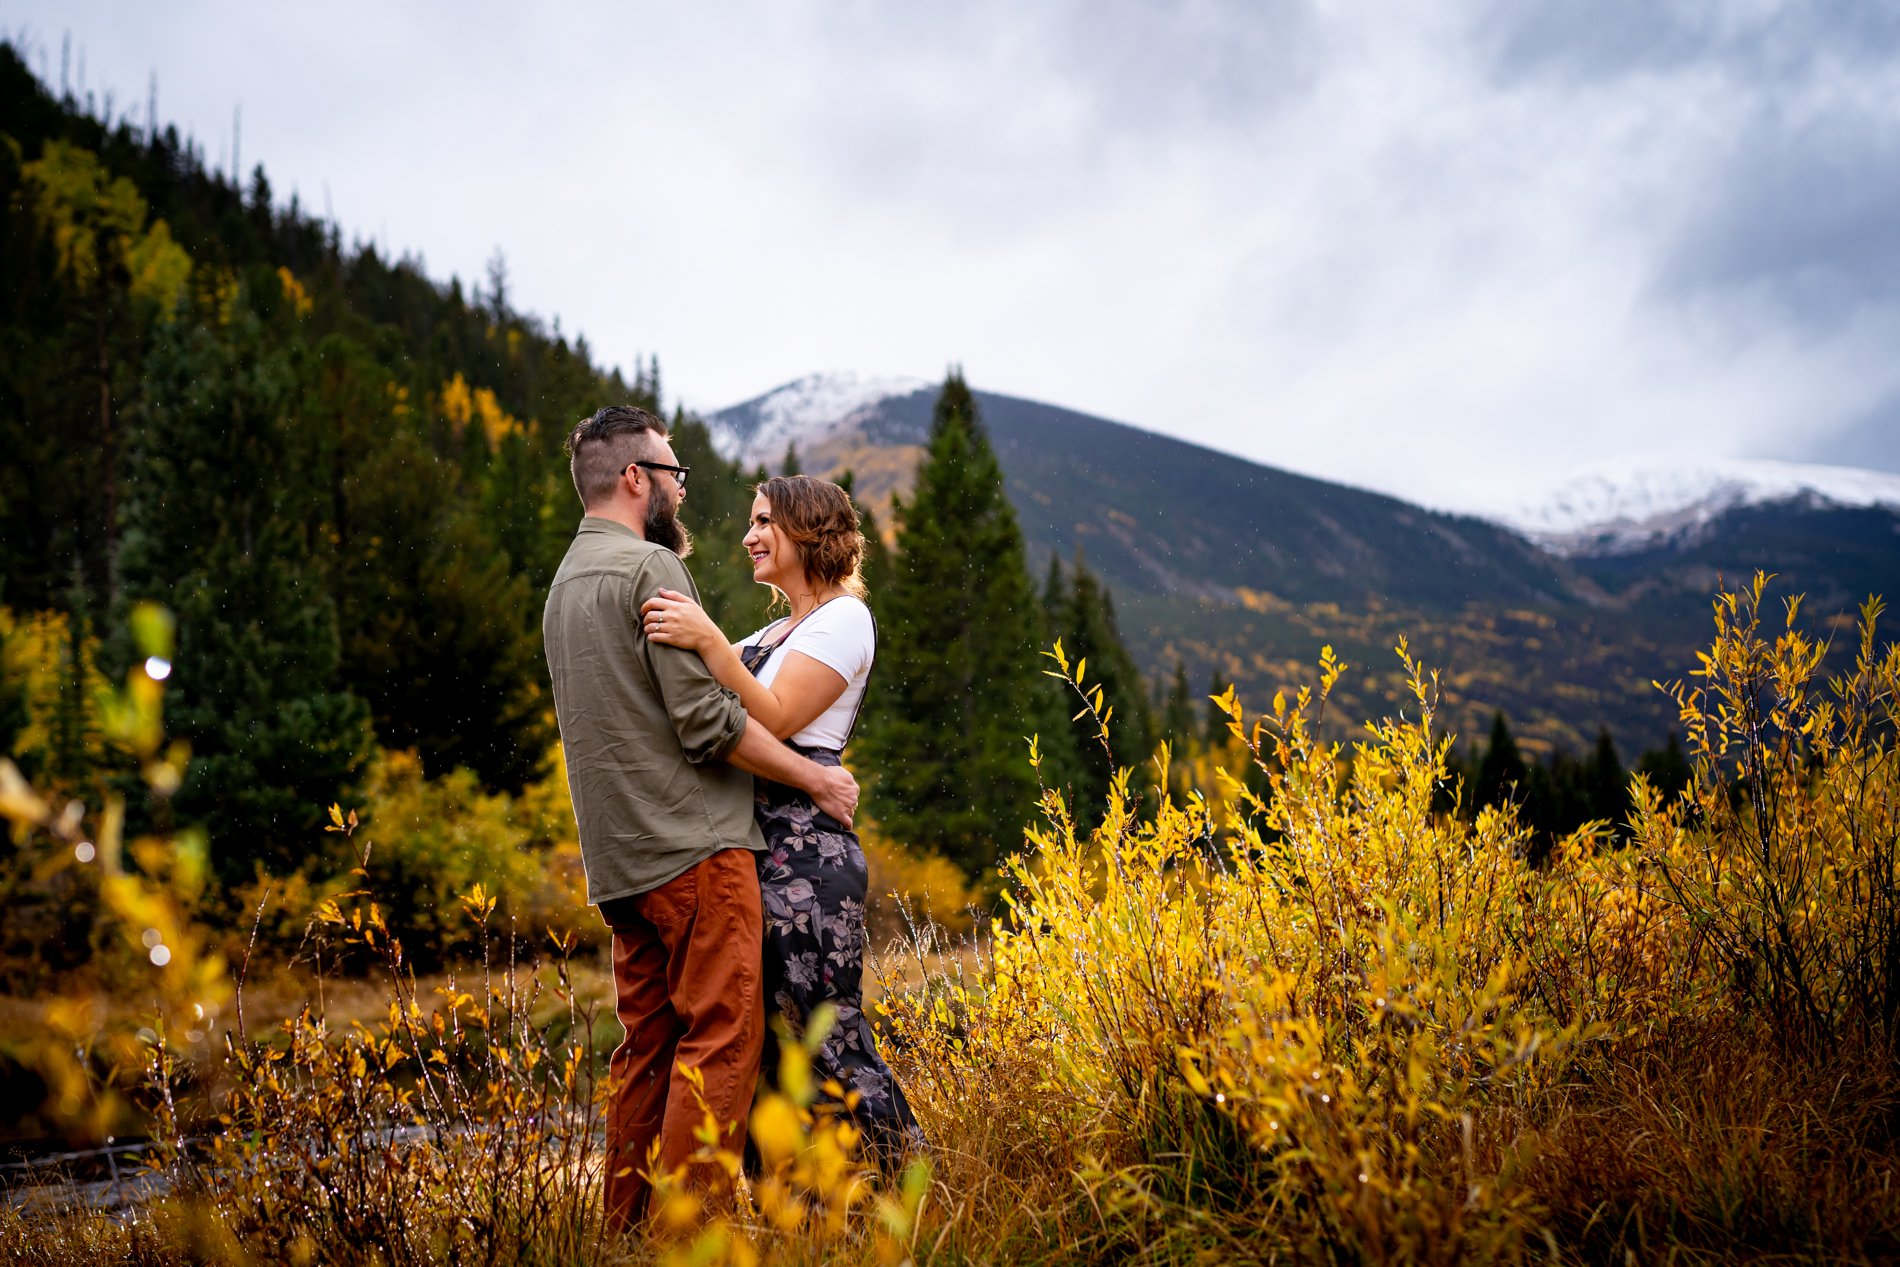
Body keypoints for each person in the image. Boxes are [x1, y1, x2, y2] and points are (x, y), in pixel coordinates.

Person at [542, 407, 861, 1231]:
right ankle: (688, 1240)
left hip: (617, 865)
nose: (683, 491)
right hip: (695, 850)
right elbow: (709, 723)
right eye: (675, 475)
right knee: (720, 1040)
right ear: (636, 479)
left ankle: (624, 1233)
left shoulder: (563, 587)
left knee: (644, 1050)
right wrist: (811, 779)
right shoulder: (651, 568)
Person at [641, 474, 924, 1158]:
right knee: (766, 1048)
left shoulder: (845, 618)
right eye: (751, 521)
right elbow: (704, 712)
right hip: (753, 853)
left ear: (808, 530)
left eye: (765, 520)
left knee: (825, 1034)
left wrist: (709, 642)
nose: (748, 535)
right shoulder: (769, 632)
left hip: (809, 857)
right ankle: (801, 1217)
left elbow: (776, 715)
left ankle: (913, 1185)